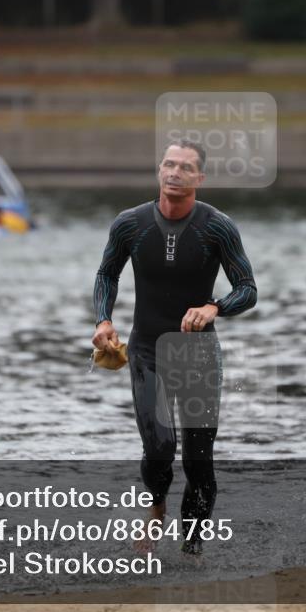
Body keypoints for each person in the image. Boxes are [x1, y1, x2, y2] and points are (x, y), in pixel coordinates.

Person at [91, 140, 257, 556]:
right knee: (160, 447)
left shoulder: (217, 227)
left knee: (199, 461)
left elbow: (248, 290)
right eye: (168, 163)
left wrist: (213, 306)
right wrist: (103, 320)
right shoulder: (130, 224)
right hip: (146, 349)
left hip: (198, 353)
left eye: (185, 167)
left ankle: (192, 551)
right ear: (158, 170)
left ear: (200, 178)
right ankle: (157, 505)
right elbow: (106, 275)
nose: (174, 172)